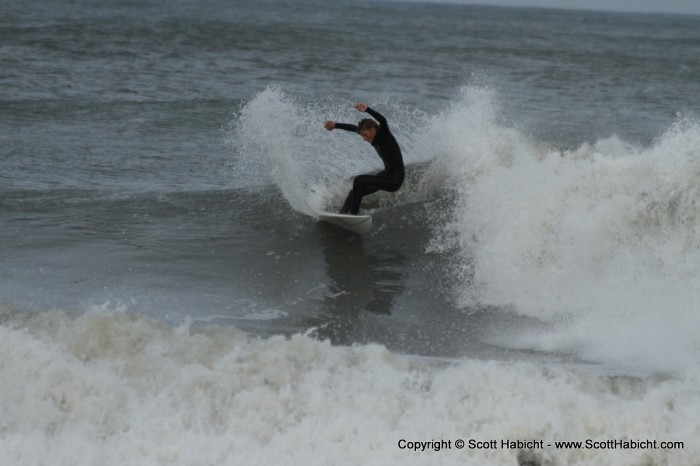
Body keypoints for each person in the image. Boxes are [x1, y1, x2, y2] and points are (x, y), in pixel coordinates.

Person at [324, 103, 405, 215]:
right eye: (362, 135)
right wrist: (335, 125)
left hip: (395, 180)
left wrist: (367, 109)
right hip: (387, 175)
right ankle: (342, 214)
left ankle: (353, 215)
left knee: (359, 180)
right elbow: (353, 128)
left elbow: (383, 120)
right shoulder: (367, 133)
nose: (364, 138)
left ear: (373, 129)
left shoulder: (384, 133)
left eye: (365, 135)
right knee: (355, 191)